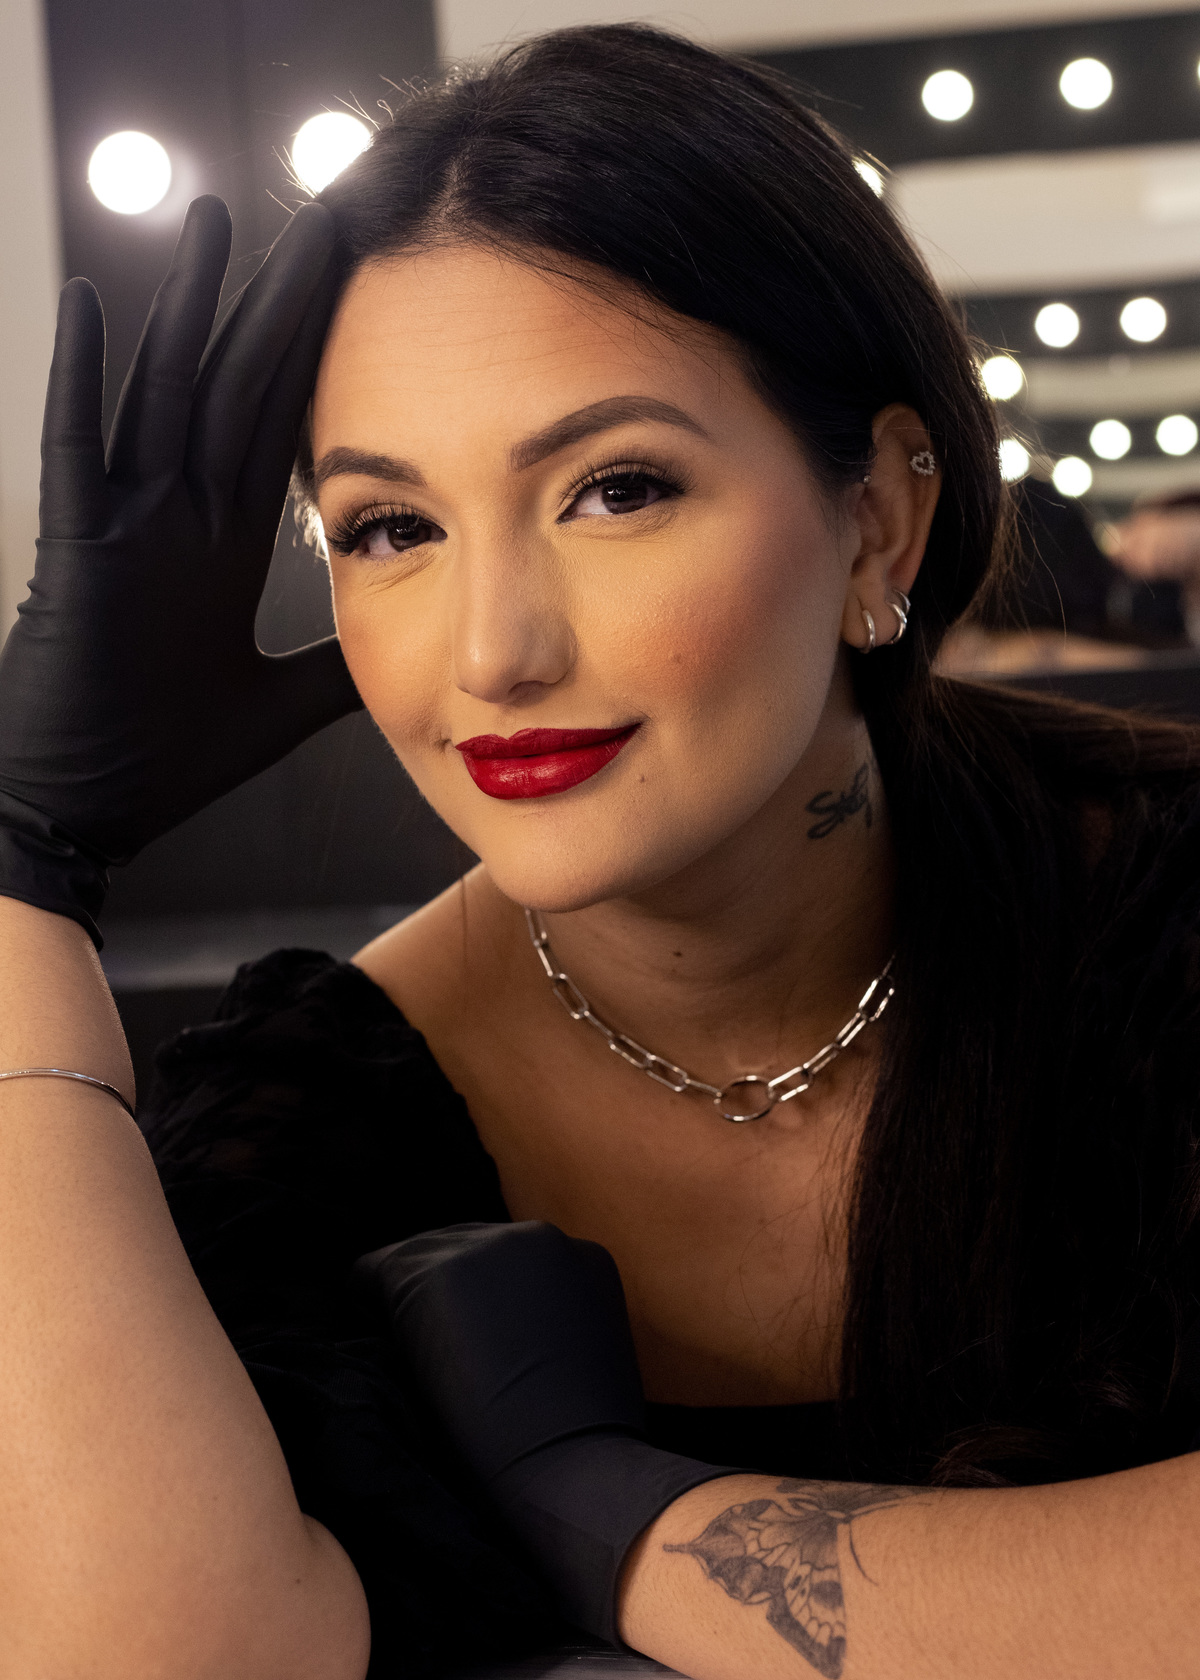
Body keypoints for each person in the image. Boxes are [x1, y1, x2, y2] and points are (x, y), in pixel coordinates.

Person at [0, 23, 1198, 1680]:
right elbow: (163, 1655)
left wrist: (637, 1531)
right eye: (391, 528)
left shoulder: (1164, 921)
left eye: (615, 489)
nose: (493, 652)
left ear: (878, 519)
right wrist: (23, 866)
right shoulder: (327, 1111)